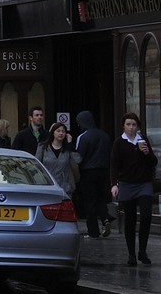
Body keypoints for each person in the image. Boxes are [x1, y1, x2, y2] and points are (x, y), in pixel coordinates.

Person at [111, 111, 157, 266]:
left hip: (144, 183)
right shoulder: (119, 142)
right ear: (123, 126)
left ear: (137, 126)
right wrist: (113, 184)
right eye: (128, 124)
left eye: (134, 125)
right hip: (126, 184)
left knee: (146, 216)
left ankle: (142, 251)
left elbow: (153, 162)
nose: (131, 128)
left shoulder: (143, 140)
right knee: (129, 219)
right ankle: (131, 254)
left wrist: (147, 153)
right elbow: (114, 165)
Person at [76, 110, 114, 239]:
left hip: (88, 172)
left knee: (90, 201)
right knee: (101, 198)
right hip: (103, 170)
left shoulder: (83, 137)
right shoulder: (104, 135)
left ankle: (93, 231)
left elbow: (78, 157)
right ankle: (105, 219)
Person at [37, 121, 81, 201]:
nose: (61, 133)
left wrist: (70, 144)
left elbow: (78, 160)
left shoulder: (68, 149)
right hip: (48, 185)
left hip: (65, 187)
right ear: (53, 133)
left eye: (63, 131)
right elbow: (37, 165)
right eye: (58, 131)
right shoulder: (42, 147)